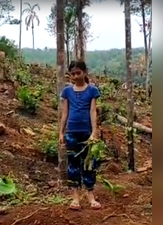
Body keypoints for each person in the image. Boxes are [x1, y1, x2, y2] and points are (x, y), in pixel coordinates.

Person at [59, 61, 102, 210]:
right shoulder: (67, 91)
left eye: (78, 73)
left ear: (84, 72)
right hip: (72, 132)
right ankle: (75, 197)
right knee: (73, 165)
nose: (76, 76)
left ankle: (90, 196)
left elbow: (92, 112)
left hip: (87, 133)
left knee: (89, 165)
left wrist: (94, 132)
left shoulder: (92, 90)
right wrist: (61, 132)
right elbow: (65, 113)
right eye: (73, 74)